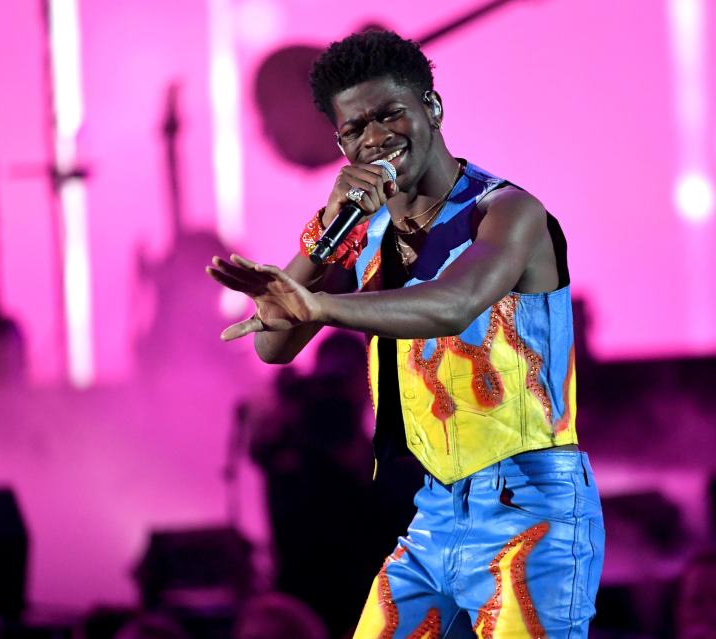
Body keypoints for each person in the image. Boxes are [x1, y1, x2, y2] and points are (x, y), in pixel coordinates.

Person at [207, 29, 604, 637]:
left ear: (433, 108)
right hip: (435, 510)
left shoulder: (505, 213)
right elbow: (273, 343)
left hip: (530, 507)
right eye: (354, 129)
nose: (375, 139)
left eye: (390, 114)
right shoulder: (363, 233)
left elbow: (454, 304)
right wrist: (322, 236)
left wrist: (323, 307)